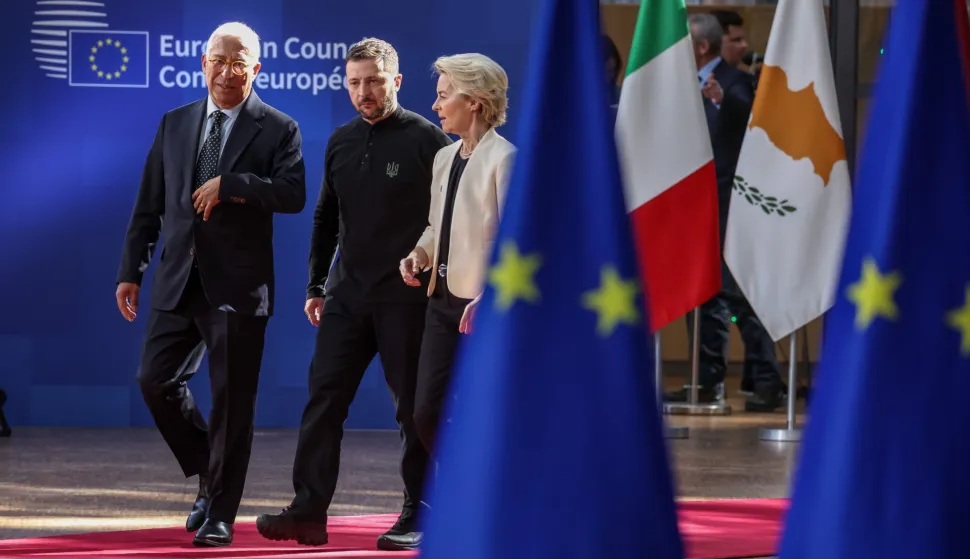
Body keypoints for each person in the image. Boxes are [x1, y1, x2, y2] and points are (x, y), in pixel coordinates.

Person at [255, 38, 451, 551]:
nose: (364, 92)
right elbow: (325, 217)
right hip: (346, 296)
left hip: (407, 297)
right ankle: (308, 512)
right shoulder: (341, 141)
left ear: (396, 82)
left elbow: (444, 223)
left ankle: (420, 511)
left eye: (374, 81)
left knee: (412, 410)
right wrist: (317, 285)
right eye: (355, 83)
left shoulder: (429, 140)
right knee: (323, 401)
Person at [114, 21, 306, 547]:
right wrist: (131, 270)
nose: (226, 72)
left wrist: (234, 186)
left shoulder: (278, 127)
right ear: (203, 64)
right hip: (178, 278)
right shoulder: (175, 123)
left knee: (232, 404)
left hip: (238, 287)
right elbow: (149, 204)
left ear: (256, 69)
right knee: (154, 381)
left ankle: (220, 511)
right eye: (218, 61)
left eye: (238, 62)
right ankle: (207, 465)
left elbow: (293, 193)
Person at [664, 13, 782, 412]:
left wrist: (721, 100)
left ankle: (767, 381)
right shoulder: (678, 85)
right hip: (692, 210)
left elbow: (757, 124)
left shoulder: (736, 81)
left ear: (701, 47)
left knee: (738, 296)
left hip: (730, 209)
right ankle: (706, 381)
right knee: (702, 298)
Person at [400, 53, 516, 454]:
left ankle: (485, 487)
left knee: (486, 415)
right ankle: (457, 481)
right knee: (425, 412)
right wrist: (419, 254)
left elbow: (515, 242)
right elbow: (436, 227)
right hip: (441, 302)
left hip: (482, 307)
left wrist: (490, 295)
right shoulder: (443, 157)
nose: (435, 105)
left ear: (475, 101)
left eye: (444, 95)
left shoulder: (506, 159)